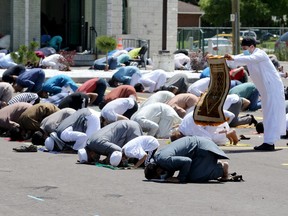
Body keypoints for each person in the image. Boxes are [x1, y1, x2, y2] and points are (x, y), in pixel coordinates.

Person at [225, 37, 286, 151]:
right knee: (268, 114)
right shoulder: (250, 57)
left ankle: (269, 142)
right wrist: (228, 58)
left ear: (252, 47)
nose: (244, 51)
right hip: (266, 90)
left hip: (272, 89)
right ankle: (269, 141)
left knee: (271, 114)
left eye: (245, 48)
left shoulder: (259, 54)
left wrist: (233, 57)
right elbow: (241, 58)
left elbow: (248, 58)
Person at [144, 136, 229, 183]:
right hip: (197, 147)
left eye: (158, 177)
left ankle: (221, 168)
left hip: (202, 149)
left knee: (195, 177)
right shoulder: (158, 158)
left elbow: (187, 161)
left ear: (158, 170)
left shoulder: (164, 160)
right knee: (189, 173)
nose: (162, 177)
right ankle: (209, 165)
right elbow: (173, 166)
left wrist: (179, 178)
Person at [77, 120, 143, 166]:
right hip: (126, 127)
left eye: (91, 159)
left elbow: (118, 150)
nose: (95, 160)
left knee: (137, 156)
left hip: (130, 128)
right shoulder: (90, 142)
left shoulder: (99, 144)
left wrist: (107, 160)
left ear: (91, 153)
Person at [170, 110, 238, 146]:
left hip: (219, 118)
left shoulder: (189, 132)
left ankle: (227, 134)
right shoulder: (182, 127)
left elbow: (208, 139)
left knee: (213, 141)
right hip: (214, 113)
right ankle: (225, 132)